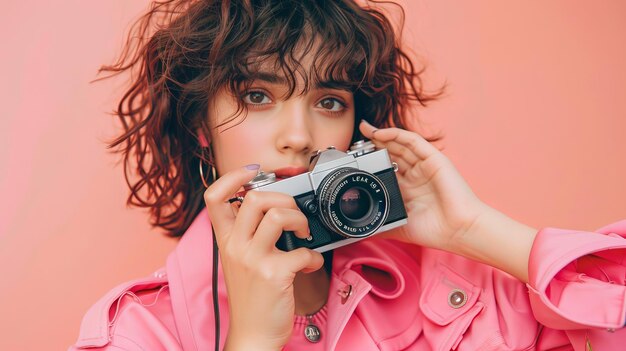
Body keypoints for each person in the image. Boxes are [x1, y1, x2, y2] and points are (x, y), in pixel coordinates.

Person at [70, 0, 626, 350]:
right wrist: (254, 340)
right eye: (258, 95)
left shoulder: (459, 287)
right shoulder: (138, 333)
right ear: (200, 129)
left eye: (329, 101)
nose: (299, 135)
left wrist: (474, 231)